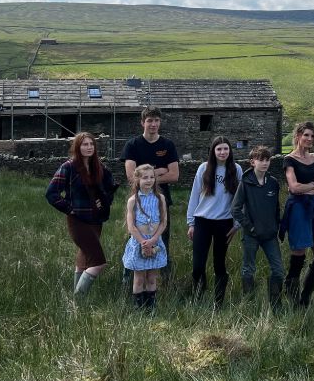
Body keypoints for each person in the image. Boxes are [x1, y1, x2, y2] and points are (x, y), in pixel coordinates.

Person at [46, 132, 117, 296]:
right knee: (98, 263)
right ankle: (78, 298)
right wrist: (69, 209)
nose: (89, 147)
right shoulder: (69, 167)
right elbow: (51, 193)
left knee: (84, 258)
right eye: (85, 144)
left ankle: (77, 304)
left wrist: (104, 202)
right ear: (77, 147)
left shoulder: (99, 167)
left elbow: (110, 188)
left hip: (96, 220)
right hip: (78, 220)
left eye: (91, 144)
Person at [186, 136, 242, 307]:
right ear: (213, 151)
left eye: (226, 149)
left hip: (224, 223)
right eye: (219, 149)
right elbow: (194, 195)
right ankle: (198, 298)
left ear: (230, 150)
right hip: (202, 221)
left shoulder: (236, 169)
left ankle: (218, 303)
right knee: (198, 266)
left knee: (219, 264)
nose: (222, 152)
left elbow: (241, 199)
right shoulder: (204, 168)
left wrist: (237, 224)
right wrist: (191, 223)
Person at [121, 107, 179, 270]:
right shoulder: (132, 145)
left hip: (161, 199)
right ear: (142, 123)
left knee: (162, 239)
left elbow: (174, 175)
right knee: (134, 239)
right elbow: (131, 177)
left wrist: (146, 175)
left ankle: (164, 280)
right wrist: (158, 171)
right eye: (149, 120)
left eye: (156, 120)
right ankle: (131, 278)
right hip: (138, 199)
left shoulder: (168, 145)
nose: (153, 124)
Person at [279, 121, 314, 307]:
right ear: (298, 136)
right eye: (306, 135)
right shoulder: (289, 160)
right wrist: (313, 185)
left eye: (312, 136)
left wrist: (307, 188)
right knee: (298, 254)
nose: (309, 139)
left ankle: (305, 296)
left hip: (313, 207)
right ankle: (293, 298)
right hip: (298, 209)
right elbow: (293, 187)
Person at [231, 145, 284, 309]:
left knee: (278, 270)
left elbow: (276, 208)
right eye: (261, 160)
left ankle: (275, 305)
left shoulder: (273, 183)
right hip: (251, 235)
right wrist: (250, 227)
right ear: (252, 162)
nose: (265, 163)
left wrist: (277, 227)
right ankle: (249, 303)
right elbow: (235, 209)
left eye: (267, 160)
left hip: (270, 235)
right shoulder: (245, 183)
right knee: (248, 270)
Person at [122, 164, 167, 310]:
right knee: (139, 278)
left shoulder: (160, 198)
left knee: (152, 277)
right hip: (138, 243)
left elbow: (163, 222)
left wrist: (153, 240)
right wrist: (143, 242)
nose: (149, 180)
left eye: (152, 177)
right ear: (137, 180)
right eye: (145, 177)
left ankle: (151, 308)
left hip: (155, 241)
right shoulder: (133, 200)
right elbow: (131, 226)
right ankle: (138, 309)